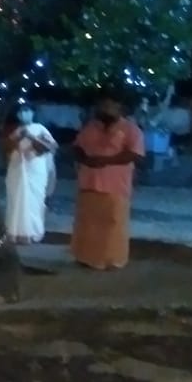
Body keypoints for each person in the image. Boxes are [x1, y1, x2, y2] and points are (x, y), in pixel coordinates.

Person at [71, 95, 145, 270]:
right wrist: (85, 159)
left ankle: (112, 260)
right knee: (88, 223)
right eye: (102, 105)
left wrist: (106, 161)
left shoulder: (131, 129)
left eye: (109, 106)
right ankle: (86, 258)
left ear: (120, 108)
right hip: (89, 182)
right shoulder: (90, 127)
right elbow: (76, 147)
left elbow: (135, 154)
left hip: (115, 185)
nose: (104, 109)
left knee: (113, 223)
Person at [3, 104, 58, 244]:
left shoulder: (40, 128)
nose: (24, 114)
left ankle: (32, 232)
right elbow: (6, 148)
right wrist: (17, 139)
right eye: (21, 111)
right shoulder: (17, 130)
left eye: (27, 111)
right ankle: (14, 232)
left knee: (33, 201)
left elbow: (49, 147)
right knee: (16, 200)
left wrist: (30, 137)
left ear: (33, 113)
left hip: (35, 169)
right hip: (17, 168)